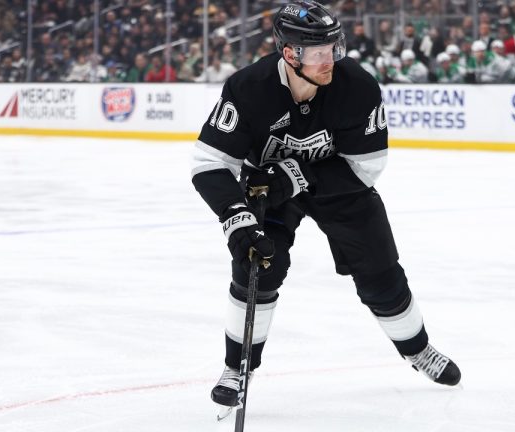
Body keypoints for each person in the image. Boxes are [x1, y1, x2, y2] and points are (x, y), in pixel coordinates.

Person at [190, 1, 462, 414]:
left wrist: (297, 174)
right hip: (270, 192)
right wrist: (236, 218)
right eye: (317, 52)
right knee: (256, 269)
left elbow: (366, 167)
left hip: (340, 189)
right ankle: (237, 368)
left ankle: (417, 349)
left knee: (381, 273)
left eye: (333, 47)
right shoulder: (248, 88)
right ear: (289, 54)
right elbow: (210, 164)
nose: (329, 59)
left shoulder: (359, 88)